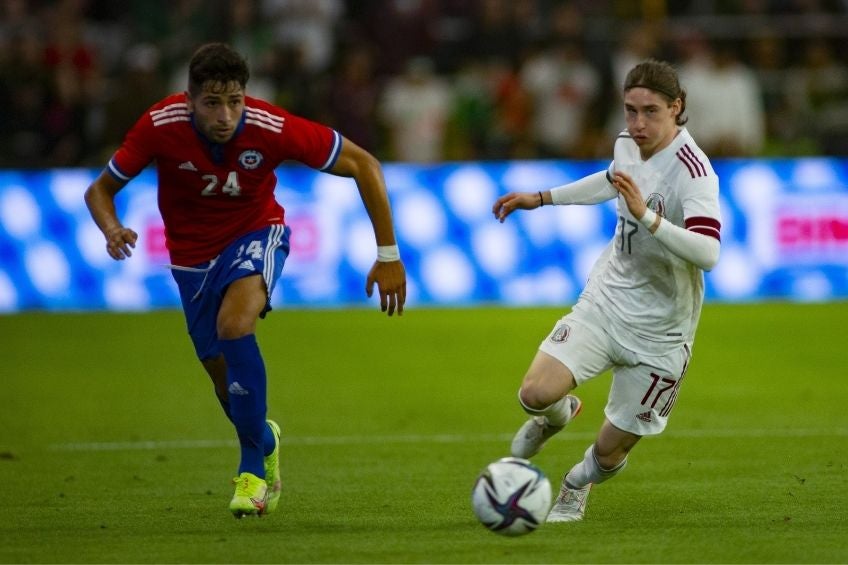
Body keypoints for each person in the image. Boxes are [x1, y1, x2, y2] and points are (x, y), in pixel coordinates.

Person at [84, 43, 406, 518]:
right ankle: (264, 439)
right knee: (222, 375)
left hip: (256, 234)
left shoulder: (269, 126)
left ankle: (251, 470)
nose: (225, 115)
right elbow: (100, 190)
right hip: (191, 258)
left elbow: (364, 164)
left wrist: (388, 254)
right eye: (212, 103)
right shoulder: (159, 125)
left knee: (235, 325)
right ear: (189, 101)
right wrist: (112, 228)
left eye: (234, 101)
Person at [492, 59, 721, 522]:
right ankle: (558, 415)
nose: (637, 124)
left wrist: (648, 217)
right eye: (630, 110)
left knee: (610, 452)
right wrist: (542, 198)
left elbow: (709, 252)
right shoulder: (626, 143)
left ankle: (576, 484)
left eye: (650, 111)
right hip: (607, 301)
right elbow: (611, 180)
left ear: (676, 107)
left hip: (661, 333)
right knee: (534, 393)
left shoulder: (694, 172)